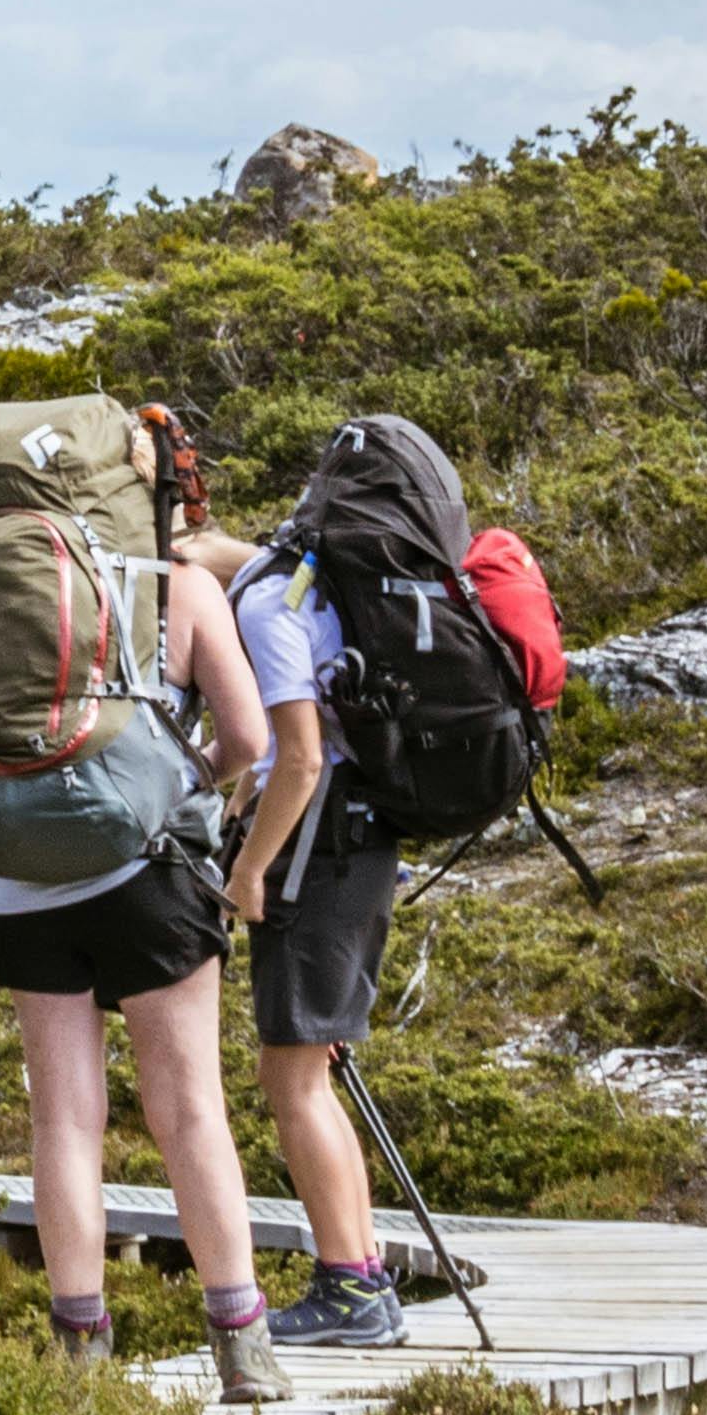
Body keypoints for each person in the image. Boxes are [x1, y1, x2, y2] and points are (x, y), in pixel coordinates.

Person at [0, 413, 291, 1398]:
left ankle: (79, 1354)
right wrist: (185, 785)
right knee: (187, 1106)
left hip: (18, 875)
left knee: (64, 1116)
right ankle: (241, 1346)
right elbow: (244, 739)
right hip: (149, 872)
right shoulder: (177, 587)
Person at [221, 438, 417, 1348]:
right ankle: (363, 1273)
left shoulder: (265, 603)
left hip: (322, 847)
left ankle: (349, 1288)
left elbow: (300, 756)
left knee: (292, 1074)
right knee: (313, 1070)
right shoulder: (312, 581)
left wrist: (250, 868)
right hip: (365, 844)